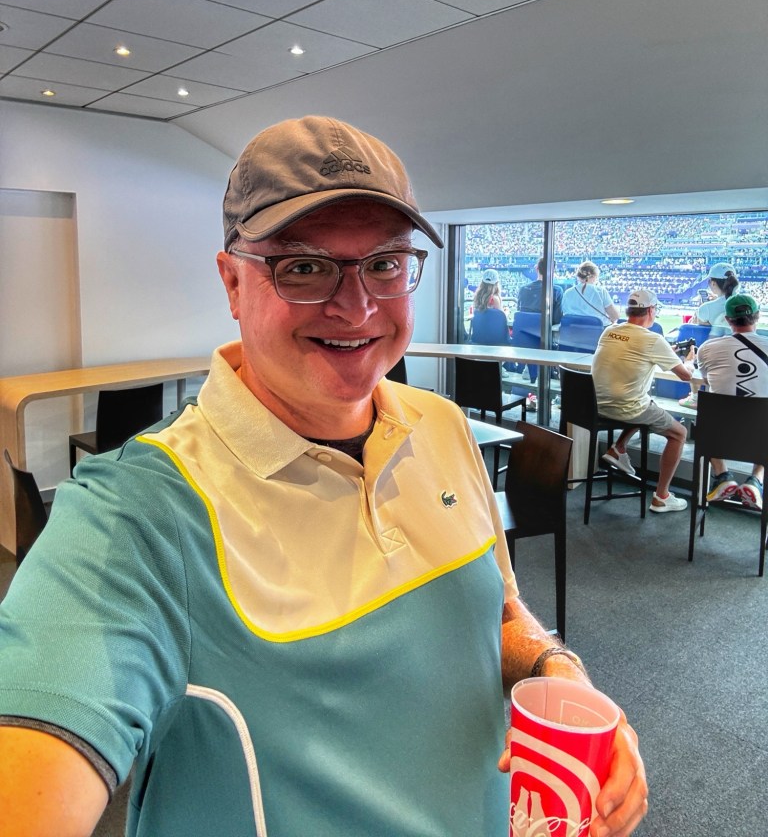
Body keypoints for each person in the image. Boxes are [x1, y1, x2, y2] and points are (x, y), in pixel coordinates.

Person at [0, 116, 647, 837]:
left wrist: (555, 665)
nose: (357, 305)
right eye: (303, 267)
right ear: (232, 283)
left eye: (385, 263)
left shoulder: (441, 425)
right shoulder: (136, 513)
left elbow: (492, 611)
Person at [592, 288, 695, 513]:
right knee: (679, 434)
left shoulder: (610, 330)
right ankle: (661, 496)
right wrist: (689, 361)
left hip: (595, 406)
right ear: (650, 310)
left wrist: (668, 351)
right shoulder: (653, 340)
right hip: (626, 409)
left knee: (644, 402)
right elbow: (686, 376)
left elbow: (631, 351)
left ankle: (618, 448)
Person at [697, 293, 766, 509]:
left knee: (705, 422)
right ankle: (756, 480)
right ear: (757, 316)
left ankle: (722, 474)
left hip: (719, 438)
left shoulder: (707, 348)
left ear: (727, 320)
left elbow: (707, 380)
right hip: (761, 438)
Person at [678, 262, 740, 409]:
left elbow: (697, 332)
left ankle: (695, 396)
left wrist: (706, 307)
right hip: (741, 360)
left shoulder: (706, 308)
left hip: (712, 361)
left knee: (693, 353)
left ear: (713, 283)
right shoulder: (747, 303)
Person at [561, 260, 620, 326]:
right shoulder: (601, 291)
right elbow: (615, 316)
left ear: (578, 276)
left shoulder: (567, 293)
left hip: (571, 331)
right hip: (598, 331)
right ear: (594, 276)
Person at [517, 257, 563, 324]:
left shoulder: (523, 289)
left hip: (524, 328)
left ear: (536, 268)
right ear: (553, 271)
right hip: (544, 329)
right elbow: (557, 319)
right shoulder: (557, 291)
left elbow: (520, 312)